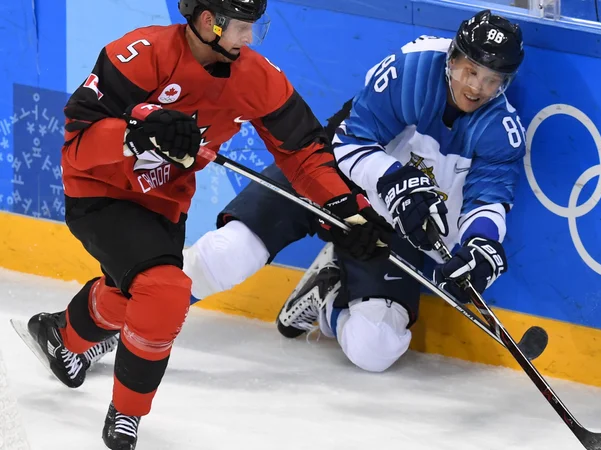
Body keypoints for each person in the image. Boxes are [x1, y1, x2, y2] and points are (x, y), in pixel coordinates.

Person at [20, 0, 391, 448]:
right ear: (206, 20)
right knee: (166, 290)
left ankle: (61, 335)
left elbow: (303, 152)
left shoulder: (257, 77)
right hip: (102, 192)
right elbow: (76, 144)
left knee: (133, 295)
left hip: (165, 204)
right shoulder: (141, 54)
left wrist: (345, 206)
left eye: (255, 27)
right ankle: (126, 415)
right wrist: (135, 132)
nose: (249, 38)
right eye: (240, 26)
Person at [183, 9, 526, 375]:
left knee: (374, 347)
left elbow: (487, 200)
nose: (475, 88)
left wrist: (481, 245)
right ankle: (126, 314)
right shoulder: (410, 71)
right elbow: (349, 143)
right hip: (330, 178)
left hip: (393, 226)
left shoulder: (501, 130)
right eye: (470, 71)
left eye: (492, 81)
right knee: (225, 254)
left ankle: (328, 295)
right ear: (452, 58)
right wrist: (396, 182)